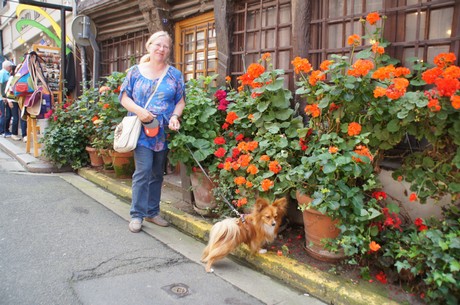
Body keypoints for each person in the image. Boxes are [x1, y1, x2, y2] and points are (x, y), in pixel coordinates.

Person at [119, 31, 185, 233]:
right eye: (158, 45)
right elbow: (124, 97)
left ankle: (152, 211)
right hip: (141, 130)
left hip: (162, 132)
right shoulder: (135, 72)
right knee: (144, 170)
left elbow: (180, 101)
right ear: (149, 46)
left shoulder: (175, 75)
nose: (161, 49)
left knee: (157, 173)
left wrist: (175, 117)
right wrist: (139, 111)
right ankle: (137, 214)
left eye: (165, 46)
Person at [0, 60, 13, 137]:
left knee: (5, 114)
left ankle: (4, 130)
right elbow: (1, 85)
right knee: (5, 114)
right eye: (10, 67)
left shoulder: (4, 73)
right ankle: (3, 131)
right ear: (8, 67)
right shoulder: (3, 73)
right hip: (3, 98)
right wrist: (3, 96)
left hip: (3, 97)